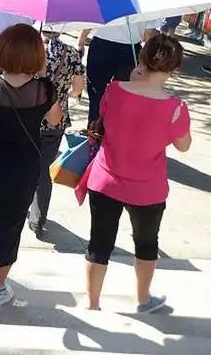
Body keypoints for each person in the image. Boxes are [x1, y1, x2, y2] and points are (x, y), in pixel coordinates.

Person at [79, 33, 191, 313]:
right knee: (146, 244)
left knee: (99, 244)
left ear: (142, 58)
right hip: (148, 187)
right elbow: (183, 146)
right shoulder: (176, 108)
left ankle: (93, 304)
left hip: (105, 179)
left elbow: (104, 118)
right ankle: (143, 300)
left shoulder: (114, 90)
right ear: (174, 69)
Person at [0, 24, 62, 323]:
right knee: (11, 225)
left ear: (1, 51)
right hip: (23, 170)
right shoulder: (45, 89)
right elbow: (55, 121)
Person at [28, 30, 85, 238]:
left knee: (24, 165)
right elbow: (78, 87)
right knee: (45, 171)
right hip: (56, 120)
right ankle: (38, 218)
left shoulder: (31, 49)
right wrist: (66, 93)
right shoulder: (71, 53)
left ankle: (21, 205)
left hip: (29, 117)